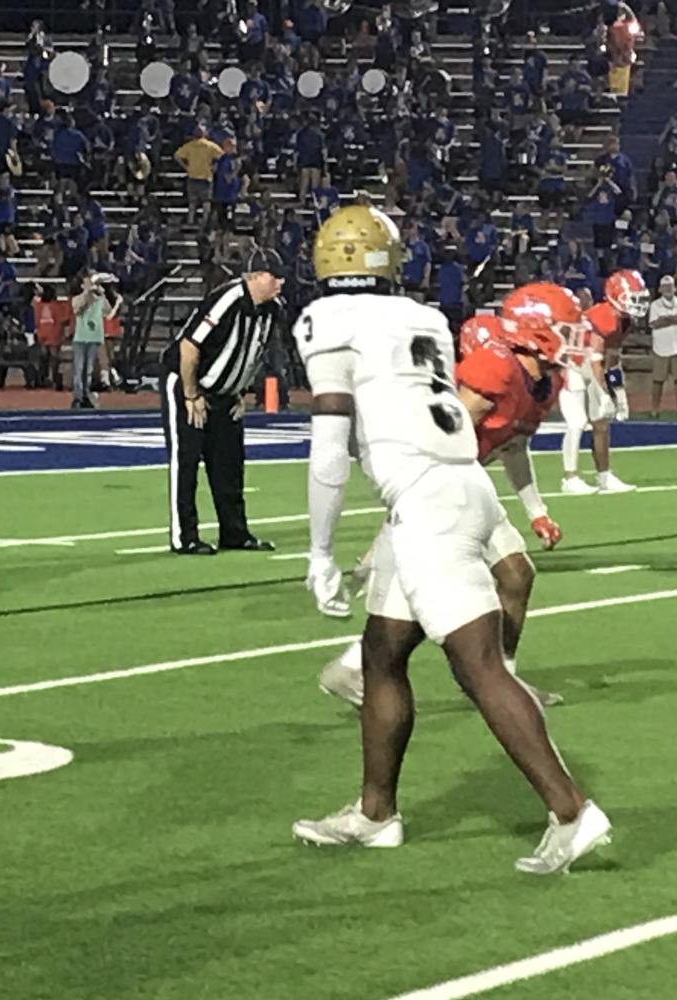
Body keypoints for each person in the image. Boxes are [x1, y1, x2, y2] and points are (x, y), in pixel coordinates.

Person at [290, 206, 609, 873]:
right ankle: (376, 814)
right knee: (381, 654)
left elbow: (328, 447)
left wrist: (319, 551)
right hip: (460, 484)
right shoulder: (424, 315)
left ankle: (571, 812)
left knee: (479, 668)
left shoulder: (328, 321)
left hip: (426, 502)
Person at [314, 306, 571, 707]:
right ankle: (359, 666)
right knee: (423, 604)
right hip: (441, 486)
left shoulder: (540, 382)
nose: (574, 337)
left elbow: (514, 447)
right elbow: (441, 436)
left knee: (513, 576)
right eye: (563, 327)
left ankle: (499, 679)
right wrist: (397, 521)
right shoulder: (495, 368)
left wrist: (536, 511)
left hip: (463, 484)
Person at [160, 248, 285, 556]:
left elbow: (253, 354)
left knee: (229, 461)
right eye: (275, 276)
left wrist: (238, 391)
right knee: (187, 459)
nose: (281, 283)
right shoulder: (227, 300)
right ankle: (184, 536)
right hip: (188, 382)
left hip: (224, 392)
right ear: (255, 276)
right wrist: (191, 395)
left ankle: (234, 532)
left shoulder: (272, 310)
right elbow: (189, 347)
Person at [559, 268, 647, 493]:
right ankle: (569, 478)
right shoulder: (603, 315)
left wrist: (618, 390)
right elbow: (595, 359)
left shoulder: (623, 320)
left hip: (589, 363)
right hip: (572, 364)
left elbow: (612, 359)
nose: (637, 303)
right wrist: (602, 391)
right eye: (632, 298)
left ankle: (604, 477)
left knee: (601, 423)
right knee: (577, 422)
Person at [648, 274, 677, 418]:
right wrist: (674, 319)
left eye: (670, 286)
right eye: (665, 287)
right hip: (660, 348)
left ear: (675, 288)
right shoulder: (655, 305)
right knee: (658, 380)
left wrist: (666, 319)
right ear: (660, 289)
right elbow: (654, 323)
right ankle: (655, 409)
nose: (668, 289)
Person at [68, 272, 107, 409]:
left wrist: (103, 294)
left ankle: (86, 394)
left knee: (88, 369)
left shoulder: (99, 299)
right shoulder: (77, 298)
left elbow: (108, 312)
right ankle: (77, 397)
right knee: (79, 369)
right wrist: (87, 294)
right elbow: (78, 310)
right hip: (81, 337)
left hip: (94, 337)